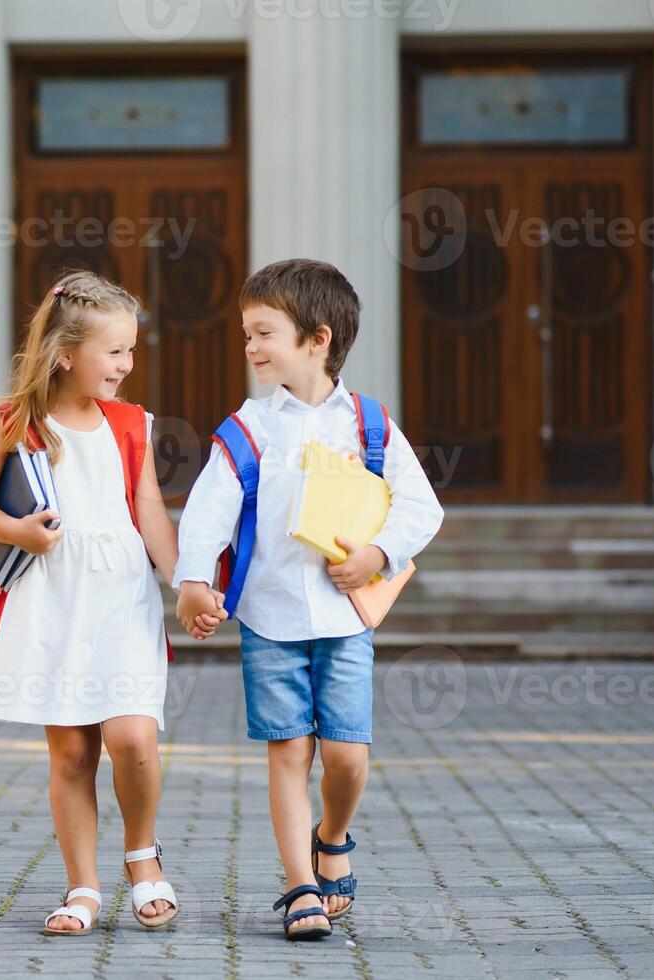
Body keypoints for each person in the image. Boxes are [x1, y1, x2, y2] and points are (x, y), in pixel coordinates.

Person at [174, 258, 445, 941]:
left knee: (347, 756)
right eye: (247, 334)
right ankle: (300, 887)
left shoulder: (371, 426)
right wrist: (192, 580)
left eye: (264, 332)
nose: (251, 347)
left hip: (346, 620)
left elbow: (421, 507)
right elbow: (209, 508)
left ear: (317, 340)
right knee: (288, 751)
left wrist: (377, 554)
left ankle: (333, 836)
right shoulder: (250, 427)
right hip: (269, 619)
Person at [0, 269, 220, 935]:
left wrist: (184, 581)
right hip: (52, 600)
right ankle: (82, 887)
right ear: (66, 353)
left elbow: (150, 514)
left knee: (132, 737)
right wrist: (16, 531)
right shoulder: (15, 421)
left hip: (119, 595)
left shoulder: (131, 424)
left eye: (132, 350)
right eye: (115, 351)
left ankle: (143, 856)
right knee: (71, 753)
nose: (127, 365)